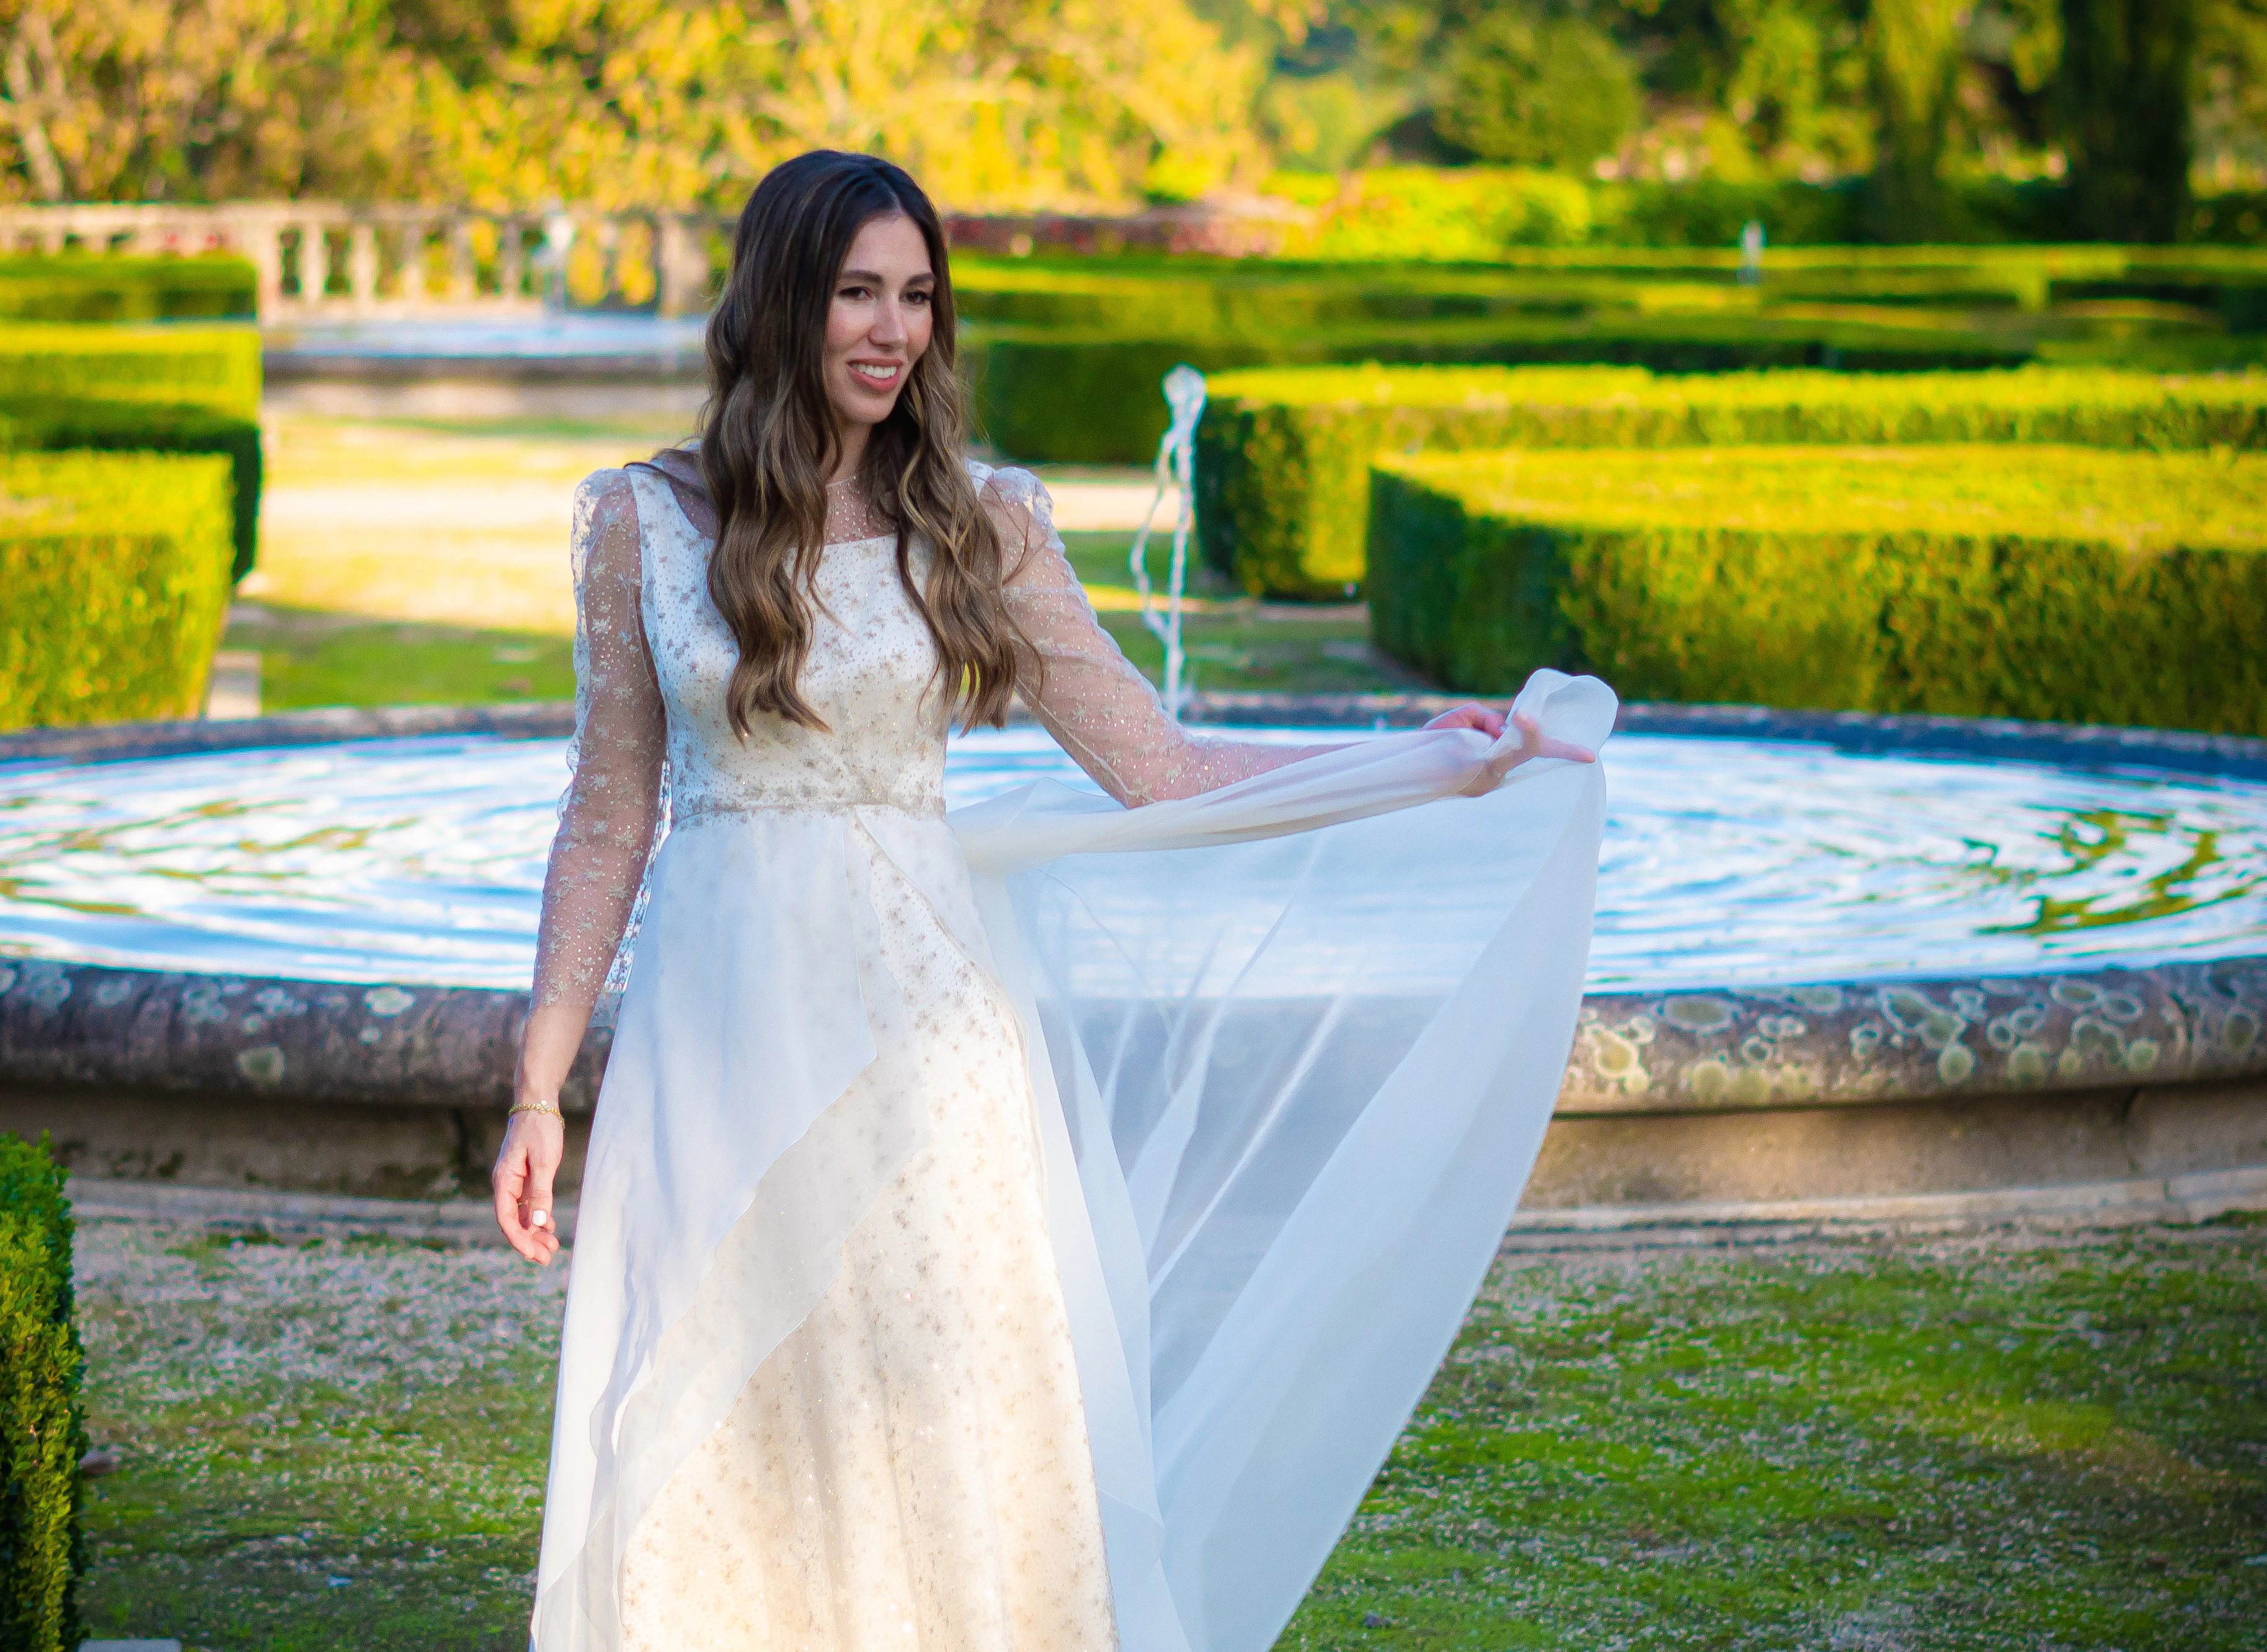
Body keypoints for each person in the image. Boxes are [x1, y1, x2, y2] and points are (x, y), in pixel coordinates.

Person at [491, 149, 1613, 1652]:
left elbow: (1158, 766)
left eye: (915, 297)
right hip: (713, 1037)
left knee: (934, 1399)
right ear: (778, 301)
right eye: (854, 294)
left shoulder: (981, 519)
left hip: (923, 1033)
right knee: (710, 1398)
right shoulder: (644, 519)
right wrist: (540, 1083)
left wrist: (1411, 762)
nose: (891, 331)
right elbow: (608, 811)